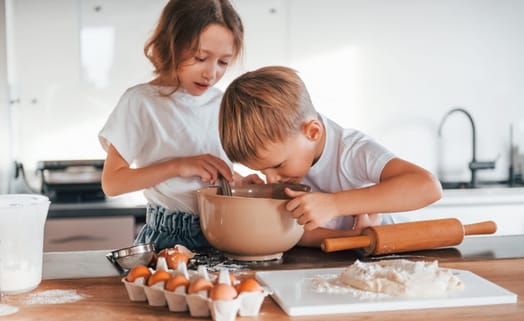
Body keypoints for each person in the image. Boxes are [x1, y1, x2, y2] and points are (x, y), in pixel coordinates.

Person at [98, 0, 260, 252]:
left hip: (222, 231)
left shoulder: (221, 102)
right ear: (172, 45)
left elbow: (208, 174)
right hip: (169, 236)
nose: (211, 73)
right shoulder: (141, 101)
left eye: (223, 62)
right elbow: (112, 183)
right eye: (201, 57)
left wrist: (239, 182)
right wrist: (178, 165)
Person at [219, 66, 443, 247]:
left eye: (278, 165)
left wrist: (334, 204)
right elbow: (299, 234)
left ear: (312, 132)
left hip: (390, 256)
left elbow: (427, 188)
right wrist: (352, 238)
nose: (271, 179)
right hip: (343, 259)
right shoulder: (291, 165)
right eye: (261, 171)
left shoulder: (352, 151)